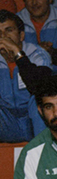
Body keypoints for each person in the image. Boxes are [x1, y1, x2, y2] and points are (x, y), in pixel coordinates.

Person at [0, 10, 52, 142]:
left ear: (21, 35)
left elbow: (40, 87)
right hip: (8, 123)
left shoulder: (37, 54)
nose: (4, 37)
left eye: (9, 30)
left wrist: (18, 54)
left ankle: (45, 151)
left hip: (33, 119)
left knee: (39, 99)